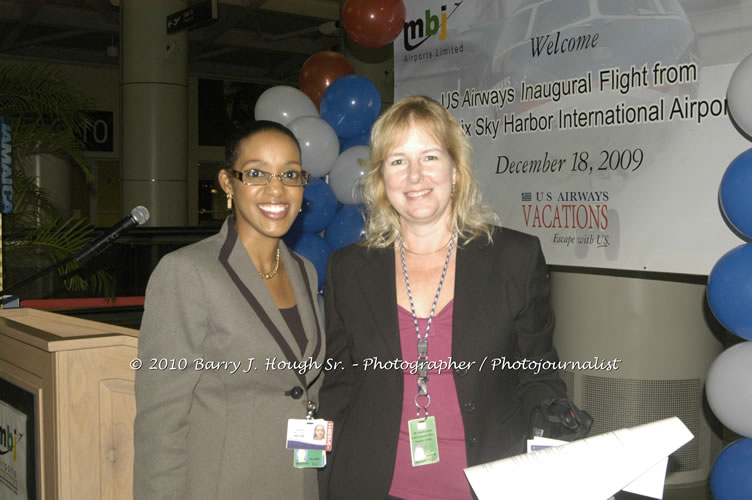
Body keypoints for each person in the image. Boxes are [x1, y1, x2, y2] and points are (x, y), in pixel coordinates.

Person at [318, 95, 568, 500]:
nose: (415, 176)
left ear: (455, 171)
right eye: (398, 161)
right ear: (381, 178)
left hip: (487, 484)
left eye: (430, 157)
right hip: (369, 483)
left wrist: (553, 421)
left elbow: (537, 373)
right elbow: (339, 386)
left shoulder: (515, 258)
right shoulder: (347, 269)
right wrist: (319, 477)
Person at [134, 120, 325, 499]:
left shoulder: (304, 270)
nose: (276, 189)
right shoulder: (186, 272)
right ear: (227, 183)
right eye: (256, 173)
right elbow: (161, 424)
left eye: (290, 174)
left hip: (297, 483)